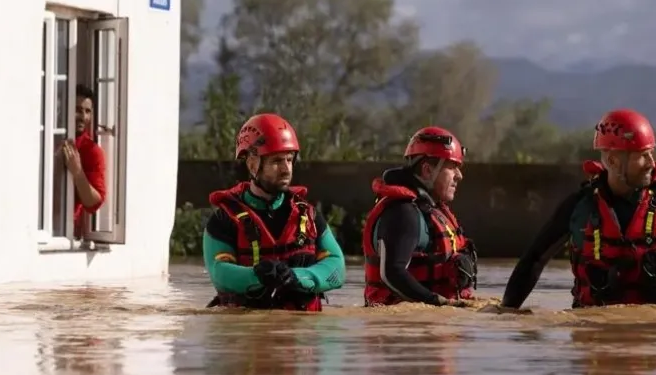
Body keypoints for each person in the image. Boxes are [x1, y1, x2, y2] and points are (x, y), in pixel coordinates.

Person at [501, 109, 656, 310]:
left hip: (651, 334)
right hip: (591, 332)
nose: (652, 163)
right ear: (614, 161)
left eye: (651, 153)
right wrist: (507, 312)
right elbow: (534, 260)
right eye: (642, 156)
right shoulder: (579, 207)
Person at [202, 113, 346, 311]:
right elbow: (219, 273)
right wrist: (257, 275)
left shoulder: (309, 215)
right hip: (248, 332)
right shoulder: (223, 220)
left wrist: (298, 277)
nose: (286, 169)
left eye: (289, 159)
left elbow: (337, 268)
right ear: (252, 163)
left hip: (303, 333)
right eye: (277, 161)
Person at [361, 126, 479, 307]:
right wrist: (438, 302)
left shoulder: (431, 210)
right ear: (427, 171)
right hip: (401, 329)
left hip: (432, 325)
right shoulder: (403, 213)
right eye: (452, 167)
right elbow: (392, 274)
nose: (459, 175)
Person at [61, 85, 106, 238]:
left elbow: (93, 203)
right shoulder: (49, 138)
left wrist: (77, 172)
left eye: (87, 111)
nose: (83, 116)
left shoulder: (92, 151)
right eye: (78, 109)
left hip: (68, 235)